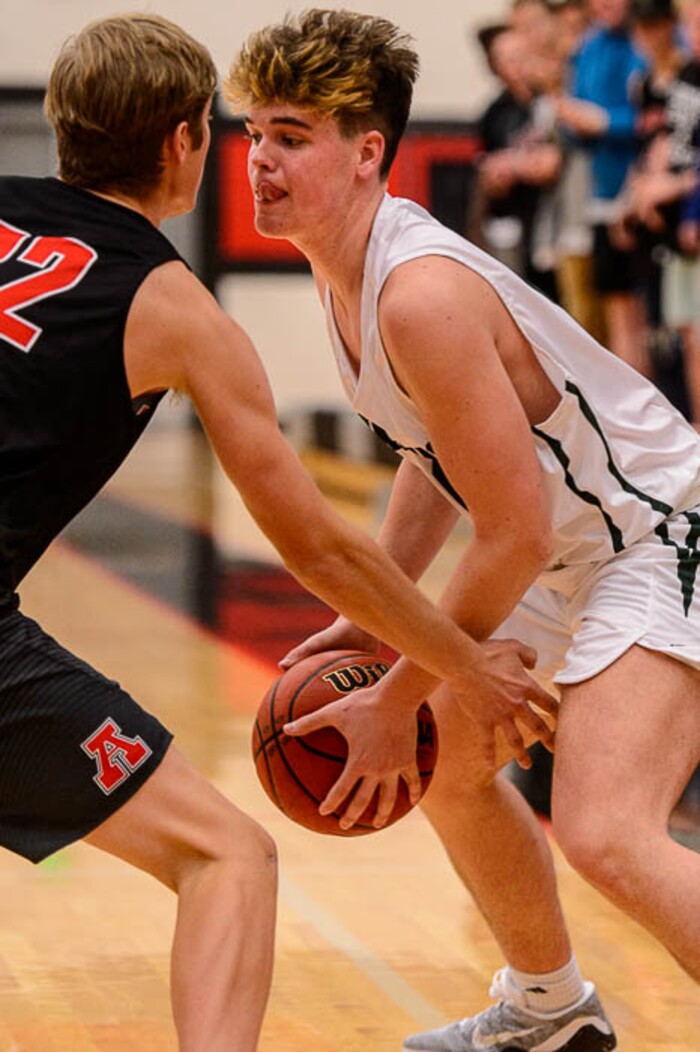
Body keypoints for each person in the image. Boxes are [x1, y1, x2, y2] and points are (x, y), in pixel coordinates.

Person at [0, 14, 559, 1052]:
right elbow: (320, 548)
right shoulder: (174, 306)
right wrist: (462, 664)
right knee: (229, 857)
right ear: (183, 141)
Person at [225, 8, 700, 1051]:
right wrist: (373, 622)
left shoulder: (420, 293)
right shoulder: (341, 269)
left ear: (367, 154)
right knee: (444, 755)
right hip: (578, 544)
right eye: (255, 132)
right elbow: (432, 461)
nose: (258, 159)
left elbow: (512, 533)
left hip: (655, 532)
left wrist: (397, 691)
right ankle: (549, 1010)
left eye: (290, 137)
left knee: (606, 830)